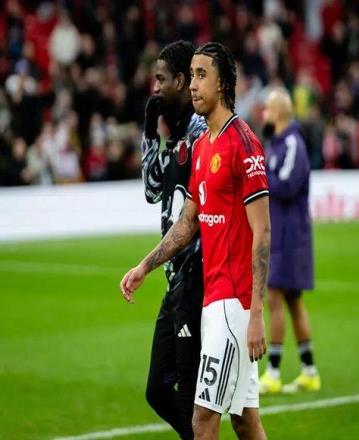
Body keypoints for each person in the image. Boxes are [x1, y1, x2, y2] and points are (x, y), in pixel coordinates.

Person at [120, 42, 269, 440]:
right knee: (246, 421)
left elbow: (263, 232)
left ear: (222, 84)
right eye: (193, 76)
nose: (193, 85)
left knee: (202, 421)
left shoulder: (244, 144)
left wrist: (256, 313)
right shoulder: (203, 147)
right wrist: (144, 266)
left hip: (233, 303)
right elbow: (187, 223)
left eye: (202, 75)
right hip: (211, 298)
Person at [140, 40, 206, 440]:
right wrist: (151, 133)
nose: (155, 88)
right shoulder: (175, 132)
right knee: (157, 390)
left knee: (186, 393)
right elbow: (151, 191)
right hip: (173, 280)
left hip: (197, 275)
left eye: (161, 79)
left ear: (182, 81)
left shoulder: (200, 132)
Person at [258, 89, 320, 395]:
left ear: (279, 112)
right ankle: (309, 370)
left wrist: (259, 175)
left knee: (275, 297)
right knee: (293, 301)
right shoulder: (277, 142)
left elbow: (285, 185)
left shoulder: (293, 143)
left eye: (267, 109)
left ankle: (273, 372)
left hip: (290, 236)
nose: (264, 114)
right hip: (281, 233)